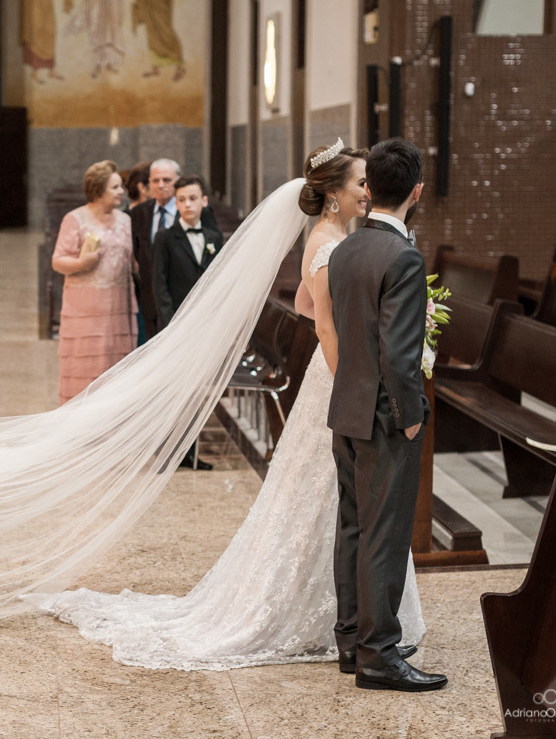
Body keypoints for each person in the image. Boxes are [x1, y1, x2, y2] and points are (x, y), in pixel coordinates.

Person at [26, 142, 426, 672]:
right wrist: (351, 378)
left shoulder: (343, 242)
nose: (366, 191)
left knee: (338, 506)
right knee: (343, 506)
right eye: (358, 184)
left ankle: (354, 627)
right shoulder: (340, 245)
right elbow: (323, 323)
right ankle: (352, 629)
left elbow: (309, 306)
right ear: (335, 195)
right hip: (340, 379)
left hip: (340, 378)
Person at [327, 138, 447, 692]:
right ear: (416, 192)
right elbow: (399, 355)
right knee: (385, 534)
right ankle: (378, 655)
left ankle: (352, 640)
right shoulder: (403, 257)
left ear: (368, 189)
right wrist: (410, 416)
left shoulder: (347, 248)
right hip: (383, 417)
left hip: (346, 410)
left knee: (353, 527)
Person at [52, 160, 138, 405]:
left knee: (114, 369)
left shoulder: (126, 220)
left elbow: (134, 261)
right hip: (85, 311)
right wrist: (82, 263)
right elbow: (58, 261)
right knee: (84, 370)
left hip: (118, 309)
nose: (121, 192)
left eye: (120, 186)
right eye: (115, 187)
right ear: (98, 190)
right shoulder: (75, 219)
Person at [152, 174, 223, 330]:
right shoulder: (164, 238)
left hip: (208, 318)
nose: (187, 205)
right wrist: (169, 324)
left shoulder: (214, 237)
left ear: (204, 201)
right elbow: (159, 285)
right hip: (176, 319)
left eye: (192, 198)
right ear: (176, 204)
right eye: (182, 200)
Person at [128, 158, 180, 341]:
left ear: (177, 182)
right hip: (149, 299)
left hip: (180, 299)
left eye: (167, 180)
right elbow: (138, 250)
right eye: (155, 181)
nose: (160, 185)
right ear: (149, 183)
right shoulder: (140, 213)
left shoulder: (188, 211)